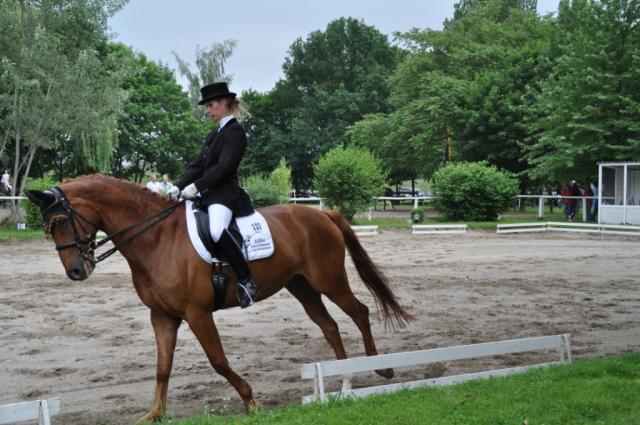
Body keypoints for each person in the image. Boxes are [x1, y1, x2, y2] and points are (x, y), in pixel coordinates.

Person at [169, 82, 259, 308]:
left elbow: (224, 168)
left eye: (211, 105)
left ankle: (247, 281)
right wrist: (178, 186)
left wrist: (196, 186)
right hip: (207, 196)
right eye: (207, 106)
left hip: (225, 195)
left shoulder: (235, 132)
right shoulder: (214, 134)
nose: (208, 111)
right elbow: (198, 166)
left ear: (225, 103)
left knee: (217, 230)